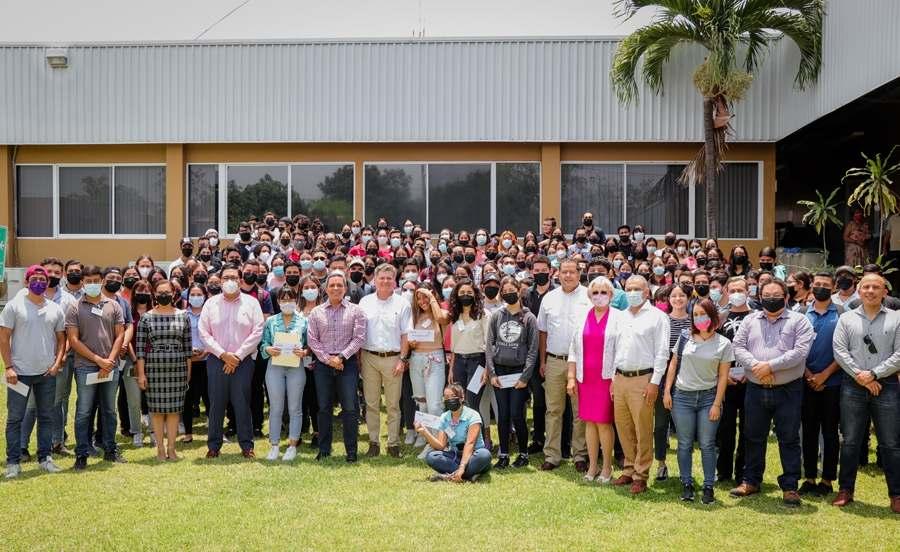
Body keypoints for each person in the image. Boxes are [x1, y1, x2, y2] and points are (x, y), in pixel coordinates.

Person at [730, 279, 814, 506]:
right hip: (756, 389)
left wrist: (770, 366)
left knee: (789, 438)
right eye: (766, 295)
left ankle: (790, 486)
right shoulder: (750, 320)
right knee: (753, 436)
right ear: (759, 297)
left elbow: (800, 352)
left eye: (776, 295)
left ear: (786, 297)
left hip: (789, 390)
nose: (771, 299)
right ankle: (751, 480)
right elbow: (738, 347)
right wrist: (757, 366)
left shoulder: (800, 321)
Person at [831, 274, 900, 513]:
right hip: (853, 385)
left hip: (886, 385)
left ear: (884, 292)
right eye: (866, 287)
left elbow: (899, 354)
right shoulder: (846, 319)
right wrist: (861, 376)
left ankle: (896, 494)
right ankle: (845, 490)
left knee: (891, 442)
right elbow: (840, 351)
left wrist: (873, 374)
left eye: (876, 287)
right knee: (850, 441)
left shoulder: (897, 318)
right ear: (859, 291)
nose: (871, 291)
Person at [663, 299, 733, 504]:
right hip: (682, 397)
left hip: (708, 398)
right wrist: (667, 391)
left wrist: (717, 404)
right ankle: (686, 484)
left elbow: (723, 376)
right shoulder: (685, 337)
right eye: (695, 315)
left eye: (703, 314)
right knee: (684, 443)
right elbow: (673, 364)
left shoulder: (723, 343)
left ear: (713, 317)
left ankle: (708, 486)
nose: (699, 318)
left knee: (707, 443)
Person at [2, 265, 67, 478]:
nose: (39, 282)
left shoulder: (55, 309)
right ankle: (13, 463)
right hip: (19, 374)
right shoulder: (14, 306)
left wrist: (57, 363)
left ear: (48, 283)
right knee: (15, 418)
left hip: (46, 374)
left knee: (46, 416)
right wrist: (9, 367)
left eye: (42, 279)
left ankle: (45, 458)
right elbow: (4, 338)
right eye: (34, 279)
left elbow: (61, 339)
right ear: (26, 281)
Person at [198, 263, 265, 459]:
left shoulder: (251, 303)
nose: (230, 281)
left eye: (234, 278)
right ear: (220, 281)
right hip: (216, 360)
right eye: (226, 278)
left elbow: (257, 331)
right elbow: (204, 333)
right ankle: (214, 445)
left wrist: (237, 356)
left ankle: (246, 445)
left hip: (243, 361)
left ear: (240, 280)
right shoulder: (210, 304)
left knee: (242, 402)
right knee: (216, 403)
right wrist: (223, 355)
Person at [611, 275, 670, 494]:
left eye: (637, 289)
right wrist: (612, 379)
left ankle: (641, 474)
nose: (632, 292)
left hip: (643, 379)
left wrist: (654, 383)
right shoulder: (620, 316)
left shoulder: (657, 317)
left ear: (646, 292)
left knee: (642, 428)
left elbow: (662, 353)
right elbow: (615, 349)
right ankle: (628, 468)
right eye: (628, 288)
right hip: (620, 378)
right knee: (623, 426)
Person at [66, 265, 126, 470]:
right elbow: (73, 340)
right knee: (84, 411)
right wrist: (99, 361)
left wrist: (109, 361)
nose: (92, 284)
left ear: (102, 281)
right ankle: (82, 453)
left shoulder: (114, 305)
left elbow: (120, 335)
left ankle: (110, 449)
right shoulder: (75, 307)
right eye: (88, 281)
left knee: (109, 410)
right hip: (85, 367)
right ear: (83, 282)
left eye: (95, 280)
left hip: (110, 366)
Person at [306, 270, 367, 462]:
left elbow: (359, 338)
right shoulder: (316, 312)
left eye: (339, 285)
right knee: (324, 407)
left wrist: (340, 357)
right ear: (325, 289)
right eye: (332, 285)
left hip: (347, 364)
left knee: (350, 407)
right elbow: (312, 340)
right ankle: (324, 449)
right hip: (323, 365)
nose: (335, 288)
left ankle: (351, 451)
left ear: (345, 288)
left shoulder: (356, 311)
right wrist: (328, 359)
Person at [566, 276, 622, 483]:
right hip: (585, 378)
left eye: (603, 292)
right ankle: (592, 465)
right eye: (595, 292)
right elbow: (573, 349)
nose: (599, 296)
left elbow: (621, 351)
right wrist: (571, 377)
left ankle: (607, 466)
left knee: (604, 423)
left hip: (606, 379)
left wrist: (616, 378)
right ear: (589, 295)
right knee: (589, 422)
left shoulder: (619, 317)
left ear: (611, 295)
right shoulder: (582, 316)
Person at [134, 280, 192, 461]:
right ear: (154, 294)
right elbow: (140, 350)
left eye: (167, 292)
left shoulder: (183, 316)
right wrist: (141, 374)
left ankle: (172, 449)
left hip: (178, 368)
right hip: (154, 369)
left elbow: (188, 349)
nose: (164, 295)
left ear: (174, 294)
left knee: (174, 410)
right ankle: (160, 449)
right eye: (160, 292)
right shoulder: (146, 318)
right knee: (157, 411)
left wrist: (188, 373)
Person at [358, 263, 412, 458]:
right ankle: (373, 442)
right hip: (369, 357)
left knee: (393, 404)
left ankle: (393, 443)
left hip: (393, 358)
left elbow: (406, 334)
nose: (385, 281)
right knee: (371, 403)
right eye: (382, 278)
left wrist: (403, 359)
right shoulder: (365, 302)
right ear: (375, 280)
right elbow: (359, 332)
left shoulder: (403, 304)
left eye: (389, 278)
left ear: (395, 281)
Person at [485, 276, 538, 469]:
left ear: (519, 291)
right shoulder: (497, 316)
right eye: (505, 291)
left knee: (517, 413)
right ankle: (504, 454)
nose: (508, 293)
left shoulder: (529, 318)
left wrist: (525, 377)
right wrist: (492, 373)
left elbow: (532, 350)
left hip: (519, 372)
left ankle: (523, 453)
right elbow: (489, 345)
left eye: (511, 290)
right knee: (503, 414)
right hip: (500, 371)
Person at [798, 271, 843, 497]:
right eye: (817, 284)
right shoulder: (801, 314)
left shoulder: (842, 314)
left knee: (830, 432)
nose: (821, 287)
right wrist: (809, 375)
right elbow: (794, 348)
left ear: (833, 288)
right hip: (805, 382)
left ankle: (827, 480)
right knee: (808, 431)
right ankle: (809, 477)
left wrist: (824, 375)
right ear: (811, 287)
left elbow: (845, 351)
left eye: (826, 285)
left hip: (832, 383)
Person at [259, 287, 308, 462]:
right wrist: (268, 349)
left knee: (295, 407)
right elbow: (263, 343)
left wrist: (304, 352)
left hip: (296, 366)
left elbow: (309, 345)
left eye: (290, 299)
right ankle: (274, 445)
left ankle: (292, 445)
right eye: (283, 299)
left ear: (296, 301)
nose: (287, 302)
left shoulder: (304, 321)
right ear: (278, 301)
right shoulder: (271, 321)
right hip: (275, 367)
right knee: (276, 407)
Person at [416, 384, 492, 482]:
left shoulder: (473, 415)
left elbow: (470, 443)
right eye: (446, 397)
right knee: (431, 456)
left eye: (452, 396)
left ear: (462, 397)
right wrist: (424, 432)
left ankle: (451, 475)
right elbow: (441, 446)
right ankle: (469, 475)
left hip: (473, 455)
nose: (449, 400)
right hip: (455, 456)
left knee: (484, 455)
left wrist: (462, 467)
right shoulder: (444, 417)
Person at [716, 277, 752, 484]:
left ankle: (743, 472)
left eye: (740, 290)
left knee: (747, 429)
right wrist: (722, 375)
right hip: (726, 381)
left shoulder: (756, 317)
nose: (736, 294)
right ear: (727, 293)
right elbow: (714, 349)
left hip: (749, 381)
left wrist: (750, 371)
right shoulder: (721, 318)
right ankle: (723, 471)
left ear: (748, 292)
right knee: (725, 428)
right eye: (732, 290)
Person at [408, 286, 449, 456]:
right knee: (422, 402)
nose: (422, 301)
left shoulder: (442, 313)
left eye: (425, 297)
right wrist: (412, 343)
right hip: (416, 359)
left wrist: (431, 298)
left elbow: (441, 319)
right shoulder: (415, 316)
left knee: (435, 405)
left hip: (435, 359)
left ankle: (436, 442)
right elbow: (409, 336)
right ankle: (424, 435)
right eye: (419, 298)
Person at [657, 283, 692, 481]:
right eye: (674, 296)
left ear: (688, 298)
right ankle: (661, 464)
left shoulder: (694, 320)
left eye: (682, 296)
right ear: (668, 299)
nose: (678, 299)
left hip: (688, 376)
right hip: (663, 375)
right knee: (661, 424)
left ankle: (685, 467)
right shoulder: (662, 320)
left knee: (685, 426)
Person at [183, 284, 209, 444]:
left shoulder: (210, 313)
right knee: (187, 396)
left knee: (209, 396)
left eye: (199, 294)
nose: (196, 297)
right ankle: (188, 432)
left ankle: (215, 429)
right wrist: (188, 351)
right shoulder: (183, 315)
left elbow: (215, 334)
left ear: (205, 296)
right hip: (189, 361)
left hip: (208, 359)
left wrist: (206, 350)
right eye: (193, 294)